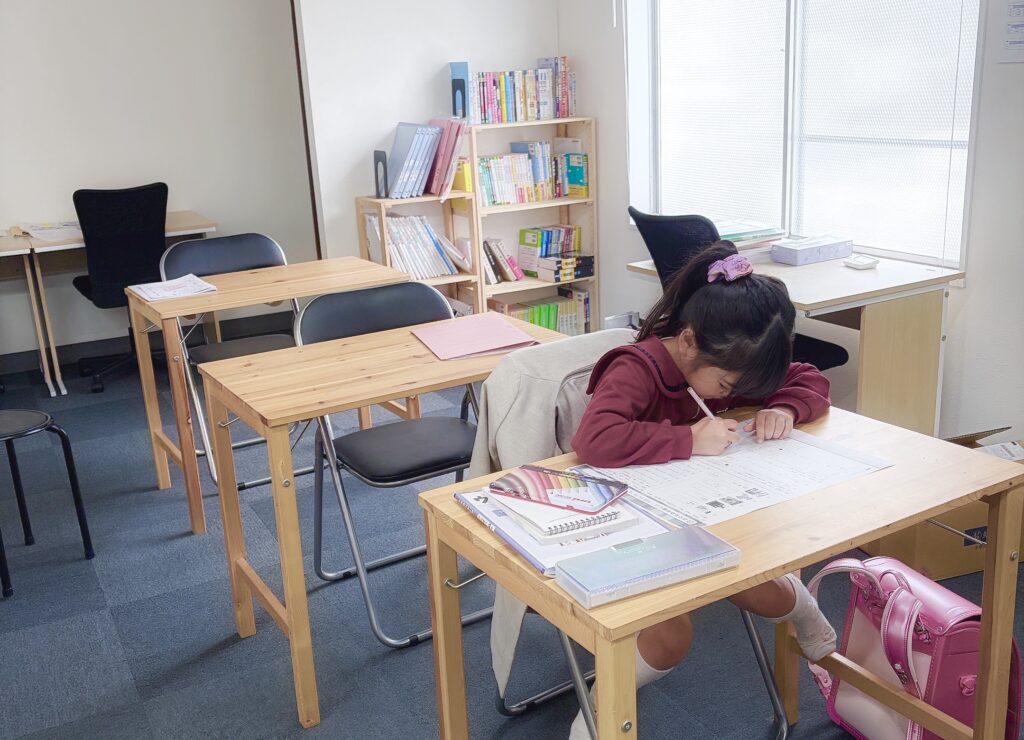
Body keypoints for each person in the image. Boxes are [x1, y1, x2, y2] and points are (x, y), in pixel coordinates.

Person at [567, 242, 836, 738]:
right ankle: (600, 711)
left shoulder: (727, 363)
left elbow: (809, 380)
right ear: (688, 341)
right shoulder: (637, 367)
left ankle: (806, 613)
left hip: (703, 509)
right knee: (670, 636)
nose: (733, 394)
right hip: (627, 522)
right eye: (728, 386)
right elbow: (594, 439)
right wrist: (687, 439)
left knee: (755, 578)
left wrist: (784, 408)